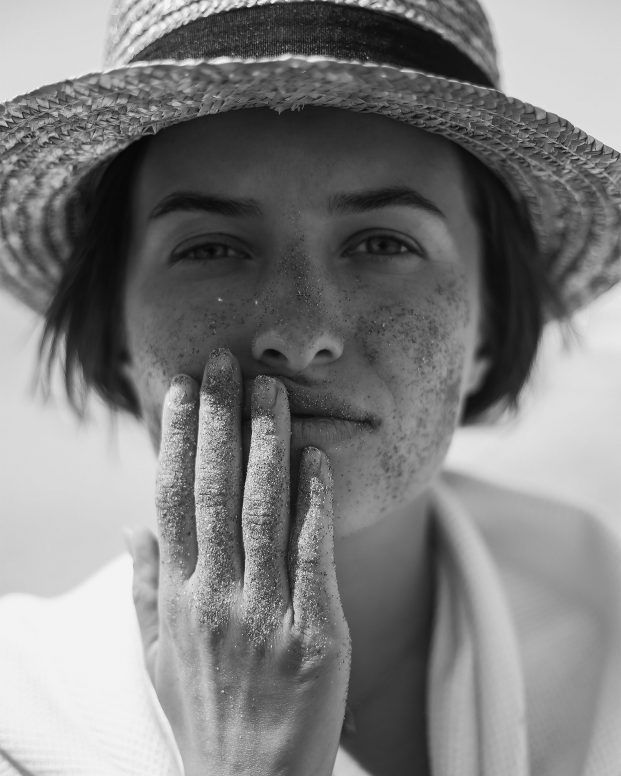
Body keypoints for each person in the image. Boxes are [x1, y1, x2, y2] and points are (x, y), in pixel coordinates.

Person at [0, 0, 620, 774]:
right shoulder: (22, 714)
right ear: (113, 330)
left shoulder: (607, 631)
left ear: (490, 322)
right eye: (212, 248)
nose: (296, 334)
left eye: (382, 242)